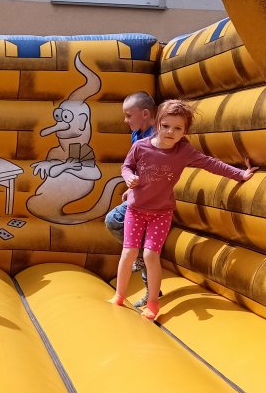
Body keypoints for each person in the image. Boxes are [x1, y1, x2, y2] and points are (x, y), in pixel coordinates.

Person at [108, 99, 258, 320]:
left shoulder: (183, 151)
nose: (171, 132)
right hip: (136, 209)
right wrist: (129, 178)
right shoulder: (141, 147)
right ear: (157, 124)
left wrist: (240, 174)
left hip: (161, 213)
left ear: (185, 131)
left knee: (150, 255)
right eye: (166, 126)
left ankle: (153, 304)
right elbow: (126, 166)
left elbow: (210, 164)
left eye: (178, 128)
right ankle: (119, 296)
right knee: (129, 252)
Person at [104, 91, 159, 308]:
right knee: (118, 224)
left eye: (129, 115)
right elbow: (134, 166)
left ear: (145, 114)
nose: (125, 120)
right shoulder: (137, 134)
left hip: (154, 199)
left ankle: (150, 287)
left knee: (116, 222)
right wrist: (131, 186)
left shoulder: (156, 138)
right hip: (140, 195)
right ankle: (146, 276)